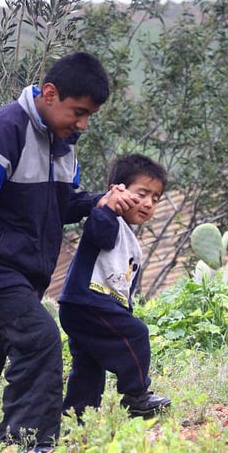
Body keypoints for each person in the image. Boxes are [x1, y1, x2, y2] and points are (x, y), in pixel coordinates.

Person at [0, 51, 133, 453]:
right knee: (40, 340)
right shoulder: (3, 129)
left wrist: (101, 201)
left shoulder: (64, 145)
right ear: (51, 94)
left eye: (89, 115)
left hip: (23, 276)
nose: (83, 124)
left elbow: (62, 207)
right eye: (77, 112)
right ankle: (26, 446)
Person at [59, 154, 172, 419]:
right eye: (142, 194)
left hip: (96, 305)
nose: (148, 203)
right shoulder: (104, 216)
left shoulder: (132, 242)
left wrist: (125, 312)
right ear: (117, 190)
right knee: (136, 334)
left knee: (89, 365)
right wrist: (109, 206)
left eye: (155, 199)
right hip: (87, 301)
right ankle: (137, 395)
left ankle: (77, 417)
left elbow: (125, 289)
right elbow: (101, 234)